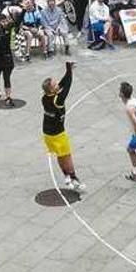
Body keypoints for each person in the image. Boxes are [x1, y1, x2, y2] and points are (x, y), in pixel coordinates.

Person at [41, 61, 84, 190]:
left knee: (60, 155)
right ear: (52, 89)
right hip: (58, 133)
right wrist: (69, 70)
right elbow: (68, 85)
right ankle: (74, 178)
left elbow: (62, 83)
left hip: (47, 133)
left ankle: (66, 176)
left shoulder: (45, 97)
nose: (57, 85)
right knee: (67, 155)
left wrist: (67, 70)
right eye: (55, 85)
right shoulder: (57, 100)